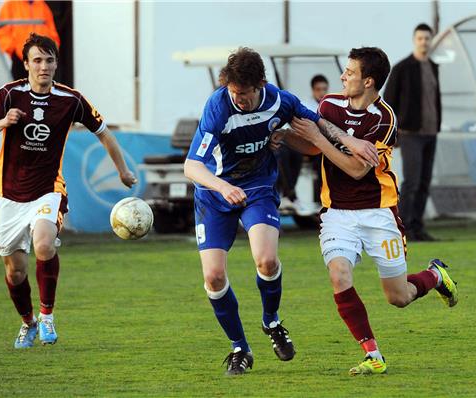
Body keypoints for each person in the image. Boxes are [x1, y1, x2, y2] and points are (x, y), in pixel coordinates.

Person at [183, 47, 378, 376]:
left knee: (267, 259)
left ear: (260, 84)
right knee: (214, 277)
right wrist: (222, 187)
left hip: (258, 188)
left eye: (243, 95)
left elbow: (318, 123)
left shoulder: (280, 101)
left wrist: (351, 141)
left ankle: (271, 321)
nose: (239, 100)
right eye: (234, 93)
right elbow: (191, 166)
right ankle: (240, 348)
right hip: (213, 194)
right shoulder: (218, 106)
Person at [279, 46, 457, 375]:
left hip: (378, 213)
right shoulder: (329, 105)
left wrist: (318, 139)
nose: (343, 76)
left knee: (398, 297)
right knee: (338, 275)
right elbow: (312, 144)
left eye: (350, 72)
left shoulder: (385, 118)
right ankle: (373, 355)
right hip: (337, 212)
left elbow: (356, 169)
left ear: (369, 81)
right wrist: (283, 136)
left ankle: (434, 275)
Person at [0, 33, 136, 349]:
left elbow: (104, 134)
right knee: (15, 272)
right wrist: (3, 123)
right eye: (37, 60)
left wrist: (123, 171)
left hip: (49, 189)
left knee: (44, 244)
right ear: (26, 64)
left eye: (49, 60)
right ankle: (28, 323)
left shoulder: (71, 100)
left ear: (56, 63)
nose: (44, 66)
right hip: (10, 196)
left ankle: (47, 317)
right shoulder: (8, 95)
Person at [384, 23, 441, 242]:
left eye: (427, 38)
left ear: (431, 40)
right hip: (410, 133)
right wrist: (393, 132)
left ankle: (418, 226)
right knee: (412, 181)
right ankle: (403, 227)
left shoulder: (434, 67)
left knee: (425, 181)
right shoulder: (402, 68)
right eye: (420, 38)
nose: (424, 42)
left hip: (431, 132)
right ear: (414, 40)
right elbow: (388, 101)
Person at [277, 74, 330, 214]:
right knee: (290, 153)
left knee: (326, 156)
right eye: (318, 89)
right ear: (313, 90)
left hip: (322, 145)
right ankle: (289, 195)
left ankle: (324, 200)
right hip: (309, 144)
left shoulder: (331, 106)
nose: (322, 92)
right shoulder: (305, 106)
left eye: (324, 89)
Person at [0, 0, 60, 80]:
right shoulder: (10, 4)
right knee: (19, 90)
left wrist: (52, 50)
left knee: (44, 89)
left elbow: (52, 32)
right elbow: (0, 32)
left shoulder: (42, 5)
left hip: (42, 59)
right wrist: (14, 50)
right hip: (20, 59)